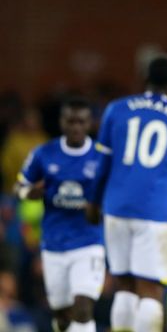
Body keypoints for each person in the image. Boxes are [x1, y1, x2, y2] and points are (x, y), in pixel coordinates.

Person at [87, 55, 167, 332]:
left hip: (116, 207)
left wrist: (94, 200)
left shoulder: (117, 110)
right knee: (150, 289)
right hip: (155, 210)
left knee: (124, 286)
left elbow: (102, 163)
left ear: (143, 80)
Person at [14, 97, 104, 332]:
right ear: (61, 122)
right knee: (62, 317)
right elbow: (19, 187)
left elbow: (114, 195)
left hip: (88, 243)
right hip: (54, 244)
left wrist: (99, 209)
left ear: (89, 123)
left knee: (83, 307)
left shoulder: (100, 157)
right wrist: (28, 193)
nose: (76, 127)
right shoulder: (43, 153)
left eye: (81, 122)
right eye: (70, 121)